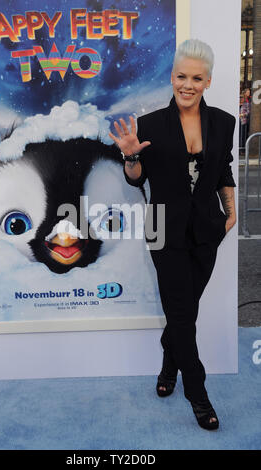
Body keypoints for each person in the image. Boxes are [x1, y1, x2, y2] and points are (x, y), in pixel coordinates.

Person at [109, 39, 237, 431]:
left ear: (207, 81)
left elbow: (223, 171)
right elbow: (137, 180)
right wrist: (131, 156)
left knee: (184, 312)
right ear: (172, 77)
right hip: (164, 229)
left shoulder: (224, 122)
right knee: (183, 313)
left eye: (196, 78)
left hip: (207, 230)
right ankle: (197, 393)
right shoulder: (148, 126)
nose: (188, 84)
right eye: (182, 76)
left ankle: (168, 364)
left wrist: (230, 213)